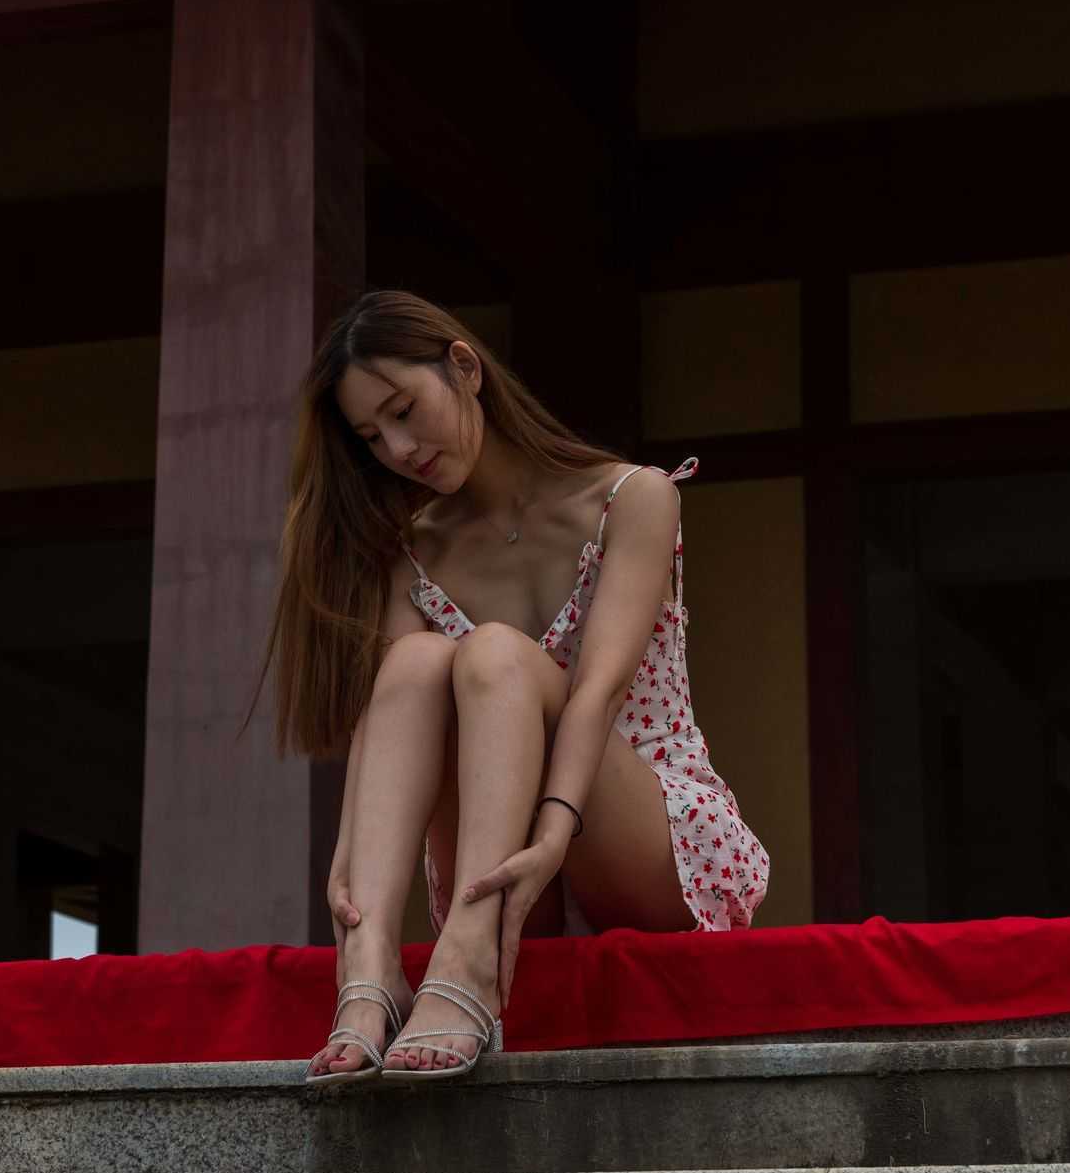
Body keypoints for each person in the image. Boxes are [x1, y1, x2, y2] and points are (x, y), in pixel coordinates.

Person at [248, 289, 770, 1081]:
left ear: (464, 367)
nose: (399, 449)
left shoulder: (632, 498)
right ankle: (371, 971)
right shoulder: (412, 552)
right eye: (372, 437)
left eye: (403, 411)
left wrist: (554, 838)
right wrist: (350, 875)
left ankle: (469, 959)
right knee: (415, 663)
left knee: (493, 653)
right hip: (493, 853)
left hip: (640, 832)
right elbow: (388, 719)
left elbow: (595, 694)